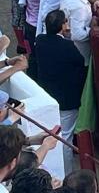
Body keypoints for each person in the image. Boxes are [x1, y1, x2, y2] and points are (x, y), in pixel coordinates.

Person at [35, 9, 86, 171]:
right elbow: (80, 61)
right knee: (65, 138)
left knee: (52, 133)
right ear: (63, 26)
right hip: (66, 99)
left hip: (47, 95)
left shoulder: (40, 41)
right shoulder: (67, 45)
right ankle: (67, 173)